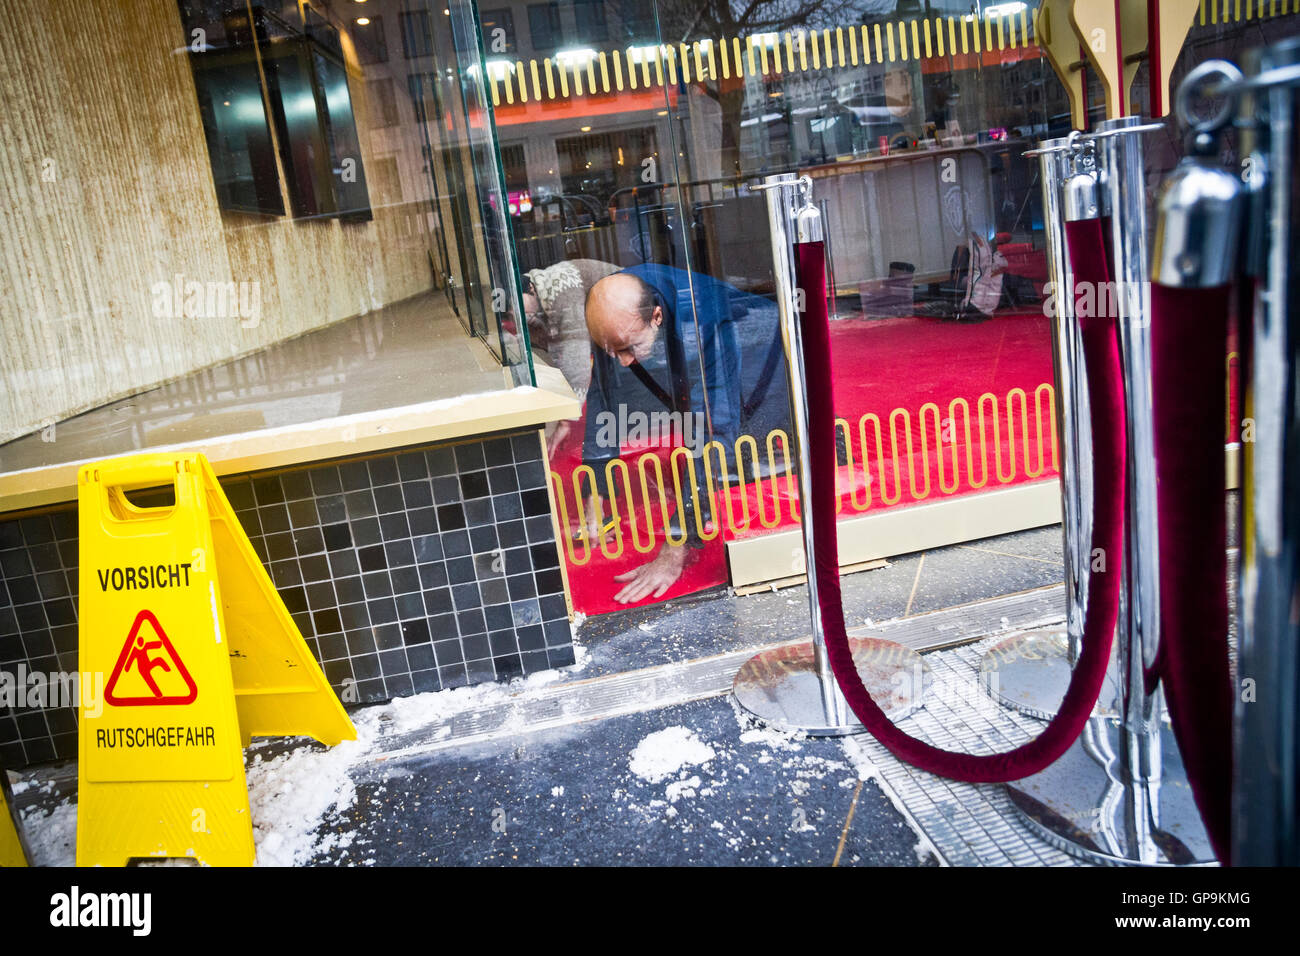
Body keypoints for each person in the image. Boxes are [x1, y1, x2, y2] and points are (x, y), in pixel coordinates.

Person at [582, 263, 758, 604]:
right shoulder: (614, 313)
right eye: (611, 350)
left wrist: (673, 546)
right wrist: (596, 493)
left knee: (735, 451)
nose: (622, 362)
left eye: (631, 347)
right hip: (677, 353)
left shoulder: (704, 323)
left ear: (657, 317)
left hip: (761, 389)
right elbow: (602, 398)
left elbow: (715, 439)